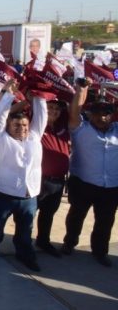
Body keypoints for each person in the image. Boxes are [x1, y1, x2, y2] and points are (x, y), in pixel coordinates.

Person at [0, 80, 48, 272]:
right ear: (8, 125)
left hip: (29, 196)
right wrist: (8, 94)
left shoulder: (34, 138)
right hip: (3, 194)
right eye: (17, 124)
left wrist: (39, 95)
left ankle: (25, 255)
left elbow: (41, 117)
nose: (22, 128)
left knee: (26, 231)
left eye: (25, 125)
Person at [61, 79, 118, 266]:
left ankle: (100, 251)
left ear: (111, 116)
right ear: (91, 115)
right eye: (98, 114)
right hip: (83, 183)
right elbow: (74, 111)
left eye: (106, 114)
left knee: (105, 221)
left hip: (111, 187)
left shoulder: (117, 131)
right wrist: (81, 89)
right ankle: (69, 243)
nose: (102, 117)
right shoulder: (80, 129)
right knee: (76, 216)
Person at [35, 98, 70, 257]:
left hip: (58, 181)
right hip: (40, 180)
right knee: (28, 214)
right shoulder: (37, 125)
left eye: (57, 108)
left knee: (48, 214)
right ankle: (23, 245)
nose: (54, 111)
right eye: (50, 107)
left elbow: (73, 108)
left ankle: (43, 241)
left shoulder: (62, 127)